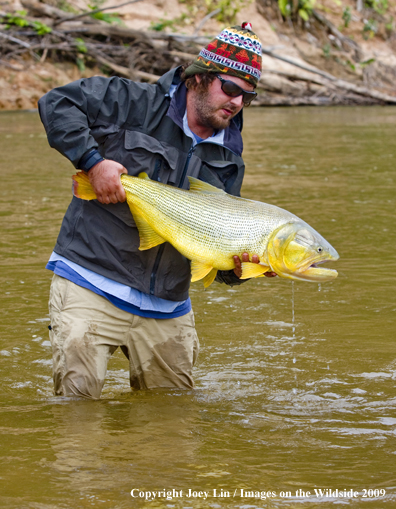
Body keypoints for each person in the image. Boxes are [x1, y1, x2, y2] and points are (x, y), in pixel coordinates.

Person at [39, 21, 273, 399]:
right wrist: (93, 162)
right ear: (198, 78)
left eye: (248, 96)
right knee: (75, 420)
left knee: (170, 435)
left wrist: (246, 270)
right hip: (90, 282)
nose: (237, 102)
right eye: (229, 88)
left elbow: (217, 262)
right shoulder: (134, 102)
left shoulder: (230, 157)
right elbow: (57, 103)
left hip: (168, 306)